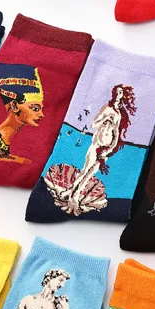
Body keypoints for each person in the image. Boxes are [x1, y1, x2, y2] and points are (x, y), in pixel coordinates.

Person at [45, 84, 137, 216]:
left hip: (106, 149)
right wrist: (105, 119)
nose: (118, 95)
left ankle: (73, 194)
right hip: (97, 145)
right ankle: (72, 194)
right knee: (85, 170)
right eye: (117, 92)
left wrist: (111, 148)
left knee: (90, 174)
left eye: (121, 93)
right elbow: (94, 124)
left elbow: (116, 132)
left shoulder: (118, 113)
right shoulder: (107, 108)